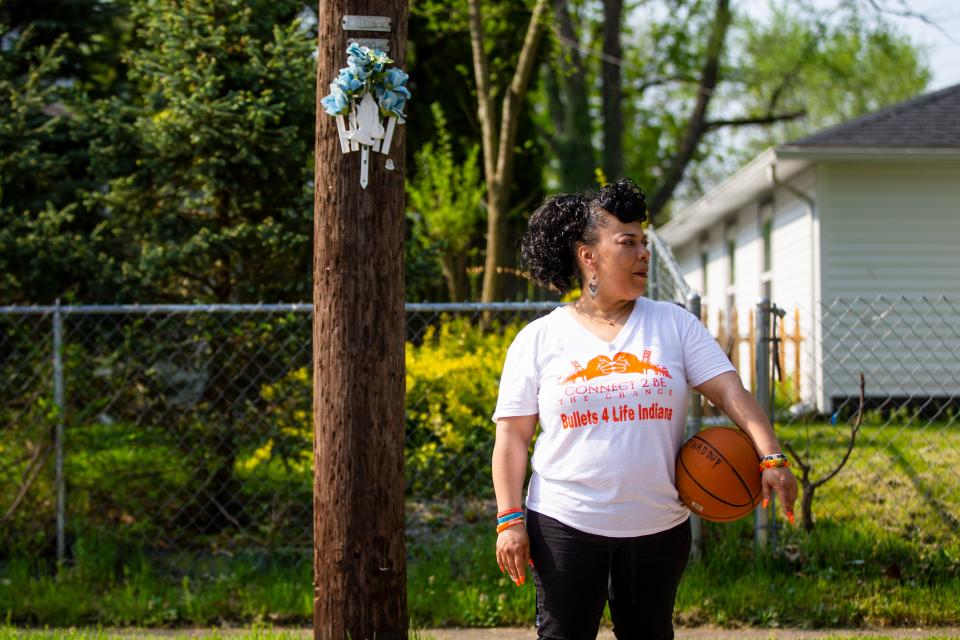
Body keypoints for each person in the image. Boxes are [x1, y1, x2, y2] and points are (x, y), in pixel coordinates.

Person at [491, 178, 798, 640]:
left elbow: (731, 392)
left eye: (645, 243)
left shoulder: (674, 324)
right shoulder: (540, 338)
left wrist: (770, 455)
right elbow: (512, 438)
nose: (643, 254)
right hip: (565, 524)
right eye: (627, 243)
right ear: (588, 255)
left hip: (657, 528)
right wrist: (509, 519)